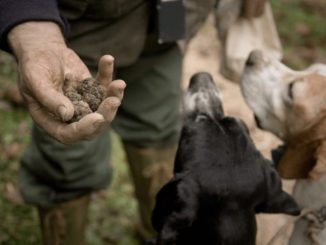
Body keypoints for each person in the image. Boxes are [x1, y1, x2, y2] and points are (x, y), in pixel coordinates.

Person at [0, 0, 266, 244]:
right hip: (75, 28)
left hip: (170, 18)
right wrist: (33, 27)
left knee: (159, 129)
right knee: (67, 160)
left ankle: (162, 231)